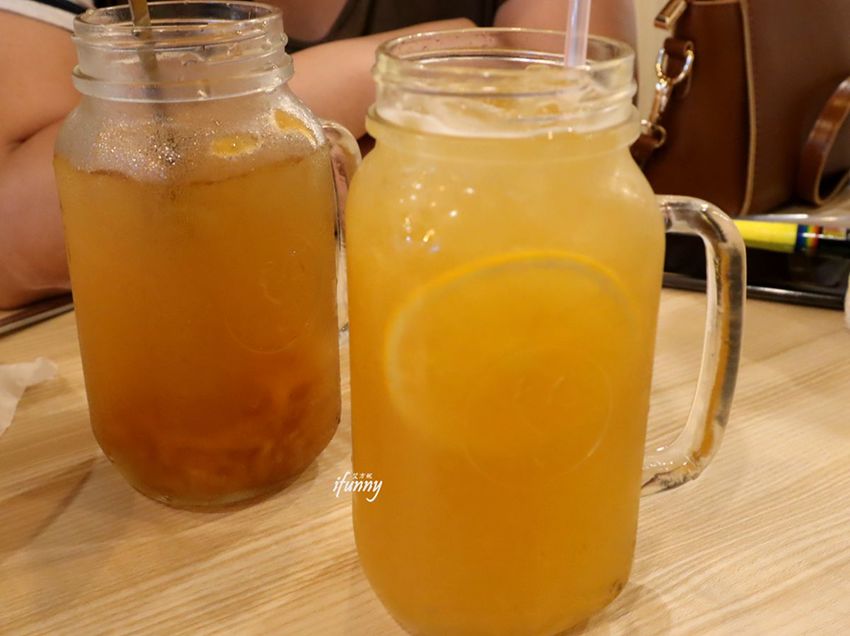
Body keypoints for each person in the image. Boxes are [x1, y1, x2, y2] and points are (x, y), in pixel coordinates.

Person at [0, 0, 636, 309]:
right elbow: (15, 232)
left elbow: (567, 137)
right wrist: (395, 67)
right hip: (180, 349)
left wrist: (205, 138)